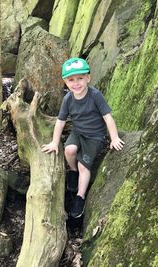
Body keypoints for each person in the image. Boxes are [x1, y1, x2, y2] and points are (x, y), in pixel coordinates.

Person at [42, 57, 124, 218]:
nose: (76, 83)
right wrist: (54, 142)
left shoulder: (95, 95)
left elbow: (108, 117)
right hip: (78, 132)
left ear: (88, 78)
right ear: (65, 82)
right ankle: (72, 172)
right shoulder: (68, 99)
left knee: (83, 165)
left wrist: (114, 138)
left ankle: (80, 196)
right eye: (71, 80)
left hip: (95, 136)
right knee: (69, 150)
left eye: (80, 78)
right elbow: (60, 122)